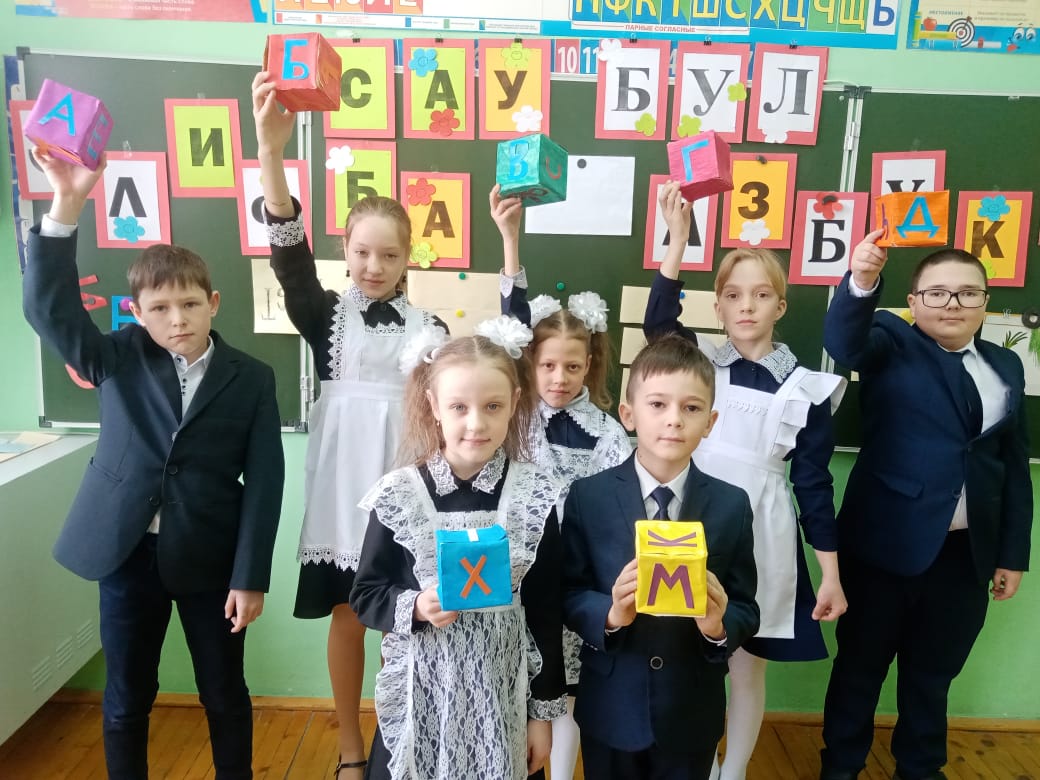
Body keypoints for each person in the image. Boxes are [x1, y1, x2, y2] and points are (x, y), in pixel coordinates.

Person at [22, 148, 284, 780]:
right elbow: (48, 310)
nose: (177, 319)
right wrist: (66, 204)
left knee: (224, 692)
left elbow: (265, 482)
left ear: (213, 301)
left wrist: (250, 576)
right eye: (160, 308)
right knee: (127, 696)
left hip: (211, 559)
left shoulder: (252, 378)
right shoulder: (116, 356)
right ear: (136, 313)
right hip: (126, 551)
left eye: (190, 304)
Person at [251, 72, 448, 778]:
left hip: (406, 482)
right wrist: (272, 153)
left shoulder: (431, 327)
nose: (374, 265)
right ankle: (348, 749)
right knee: (347, 616)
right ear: (346, 248)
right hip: (343, 484)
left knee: (410, 616)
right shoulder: (325, 316)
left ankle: (408, 743)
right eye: (362, 252)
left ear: (408, 257)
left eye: (389, 254)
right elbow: (289, 258)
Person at [644, 182, 848, 780]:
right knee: (682, 650)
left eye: (761, 295)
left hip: (763, 532)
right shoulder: (698, 365)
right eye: (733, 295)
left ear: (781, 306)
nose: (747, 307)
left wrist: (830, 573)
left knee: (745, 663)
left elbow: (814, 485)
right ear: (719, 307)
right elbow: (659, 325)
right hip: (690, 518)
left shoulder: (807, 387)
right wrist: (677, 241)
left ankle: (730, 772)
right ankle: (693, 764)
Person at [819, 230, 1032, 780]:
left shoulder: (1007, 366)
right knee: (859, 672)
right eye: (937, 293)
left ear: (986, 303)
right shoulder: (890, 340)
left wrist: (1012, 554)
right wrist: (862, 280)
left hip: (965, 556)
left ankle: (920, 770)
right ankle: (839, 769)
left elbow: (1013, 466)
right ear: (913, 302)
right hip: (883, 549)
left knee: (932, 678)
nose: (952, 303)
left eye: (967, 293)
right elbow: (845, 343)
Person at [349, 318, 567, 780]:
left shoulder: (532, 495)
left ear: (515, 403)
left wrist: (541, 715)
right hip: (423, 698)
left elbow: (547, 611)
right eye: (459, 407)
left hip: (503, 702)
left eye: (492, 406)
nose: (476, 423)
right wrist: (416, 606)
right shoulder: (400, 494)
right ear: (433, 405)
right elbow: (366, 594)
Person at [562, 333, 760, 780]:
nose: (674, 420)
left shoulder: (731, 505)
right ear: (628, 414)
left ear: (710, 422)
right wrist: (610, 614)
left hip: (691, 711)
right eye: (657, 404)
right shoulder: (588, 497)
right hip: (611, 709)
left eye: (691, 408)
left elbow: (747, 607)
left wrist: (717, 626)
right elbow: (570, 592)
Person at [489, 183, 632, 778]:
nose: (559, 377)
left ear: (590, 365)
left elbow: (615, 509)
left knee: (568, 690)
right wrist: (510, 243)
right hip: (517, 573)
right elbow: (508, 328)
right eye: (547, 364)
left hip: (577, 577)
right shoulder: (512, 419)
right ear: (530, 363)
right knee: (520, 679)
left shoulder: (607, 432)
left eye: (573, 366)